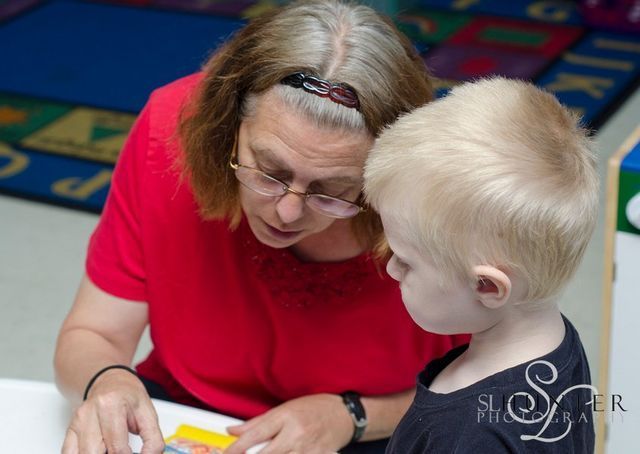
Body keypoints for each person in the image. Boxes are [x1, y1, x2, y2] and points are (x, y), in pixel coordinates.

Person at [53, 1, 469, 453]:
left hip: (382, 427)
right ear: (228, 127)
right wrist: (107, 381)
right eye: (268, 171)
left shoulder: (445, 200)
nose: (287, 212)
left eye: (332, 189)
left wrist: (354, 415)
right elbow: (95, 334)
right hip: (188, 406)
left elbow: (501, 397)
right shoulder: (169, 134)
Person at [363, 77, 598, 453]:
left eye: (406, 261)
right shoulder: (556, 341)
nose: (391, 269)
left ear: (487, 287)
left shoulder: (470, 436)